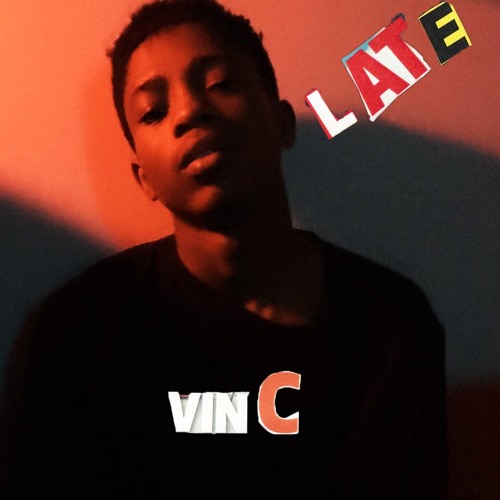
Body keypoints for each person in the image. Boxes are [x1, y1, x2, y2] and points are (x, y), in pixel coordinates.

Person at [0, 0, 447, 498]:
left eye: (220, 84)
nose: (190, 111)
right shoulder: (76, 334)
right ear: (144, 178)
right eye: (153, 111)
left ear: (282, 122)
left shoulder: (390, 325)